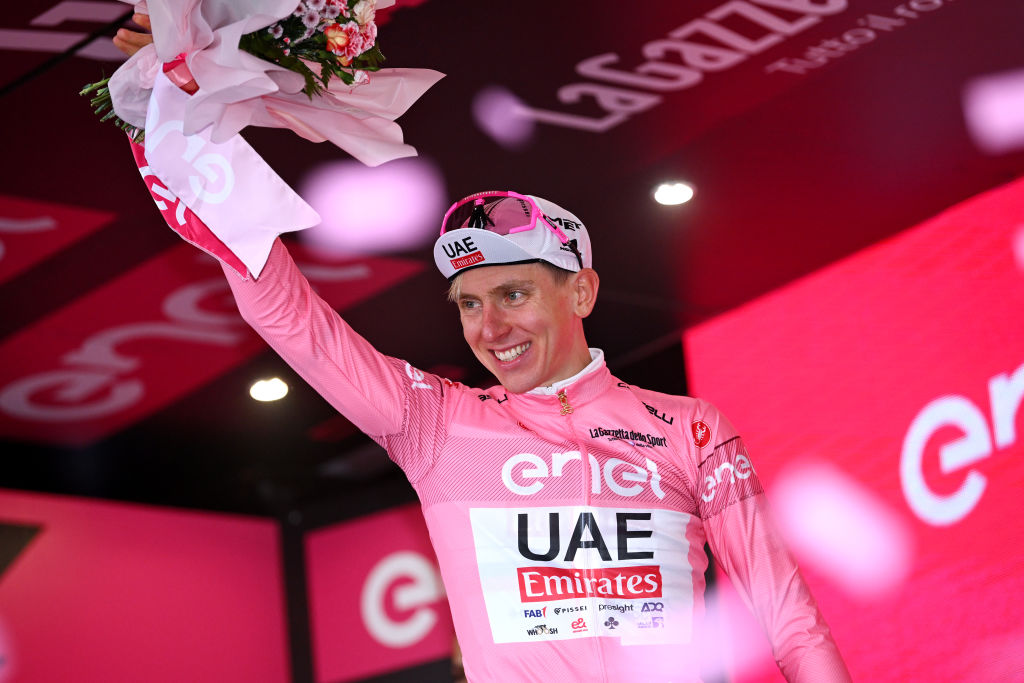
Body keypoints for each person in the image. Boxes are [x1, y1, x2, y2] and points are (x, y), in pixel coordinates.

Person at [115, 22, 852, 683]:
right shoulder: (435, 424)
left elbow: (790, 620)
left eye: (513, 293)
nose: (489, 325)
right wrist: (184, 125)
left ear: (582, 293)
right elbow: (291, 318)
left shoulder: (690, 428)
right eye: (469, 303)